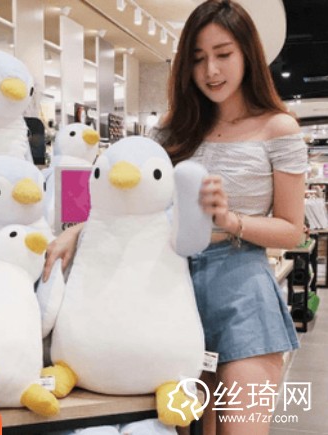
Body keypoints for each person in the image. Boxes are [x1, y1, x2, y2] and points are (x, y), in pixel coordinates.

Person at [43, 1, 307, 434]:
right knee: (176, 427)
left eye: (223, 54)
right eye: (198, 58)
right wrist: (82, 231)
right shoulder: (172, 128)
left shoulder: (278, 128)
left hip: (242, 291)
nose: (211, 70)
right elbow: (141, 205)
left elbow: (292, 230)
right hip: (167, 288)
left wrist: (230, 219)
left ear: (247, 53)